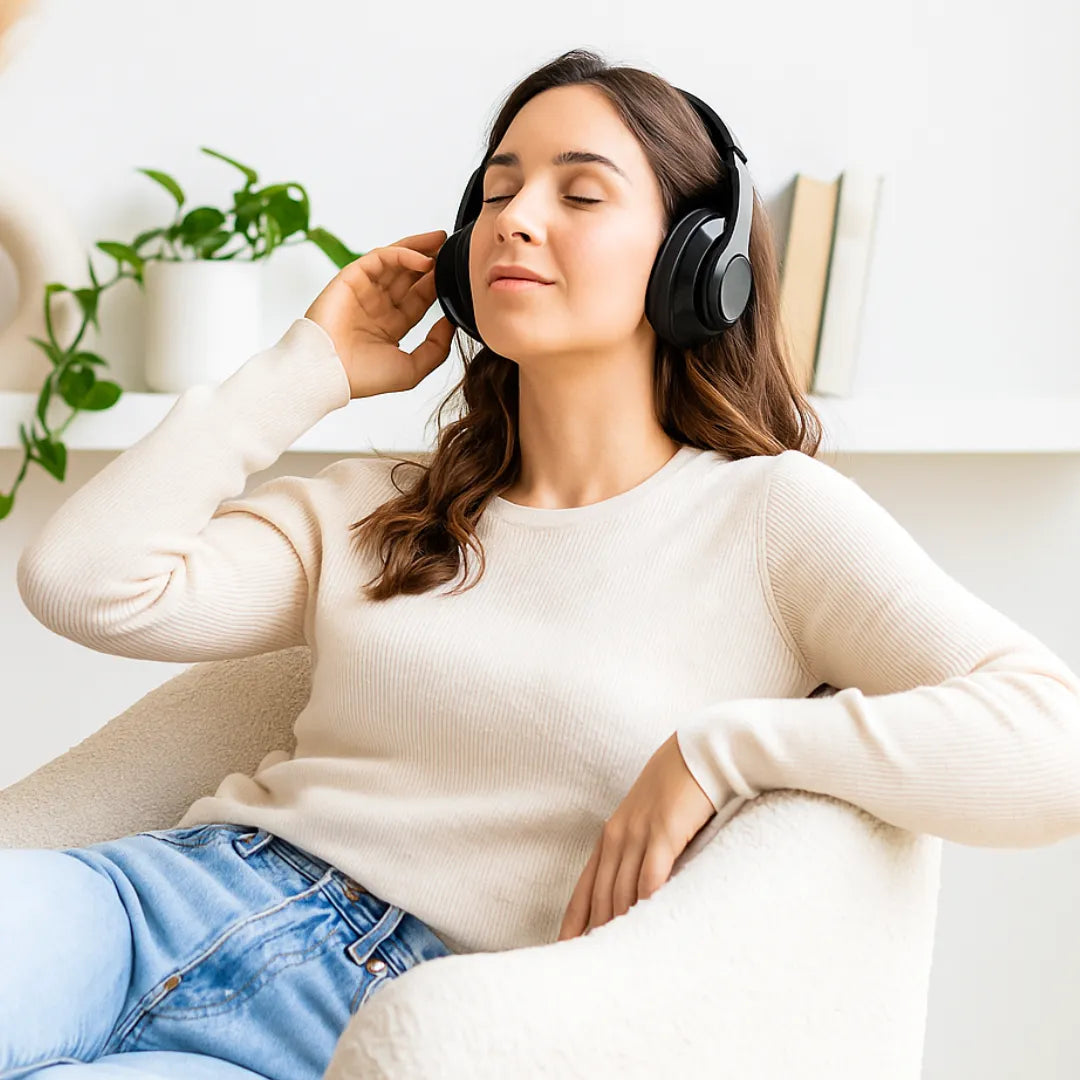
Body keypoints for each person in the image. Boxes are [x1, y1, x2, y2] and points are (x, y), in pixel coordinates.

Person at [6, 47, 1080, 1079]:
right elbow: (82, 580)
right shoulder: (383, 505)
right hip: (156, 901)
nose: (513, 218)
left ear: (695, 261)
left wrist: (721, 752)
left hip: (376, 1024)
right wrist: (311, 368)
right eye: (500, 189)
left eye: (580, 193)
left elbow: (1051, 740)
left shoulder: (767, 519)